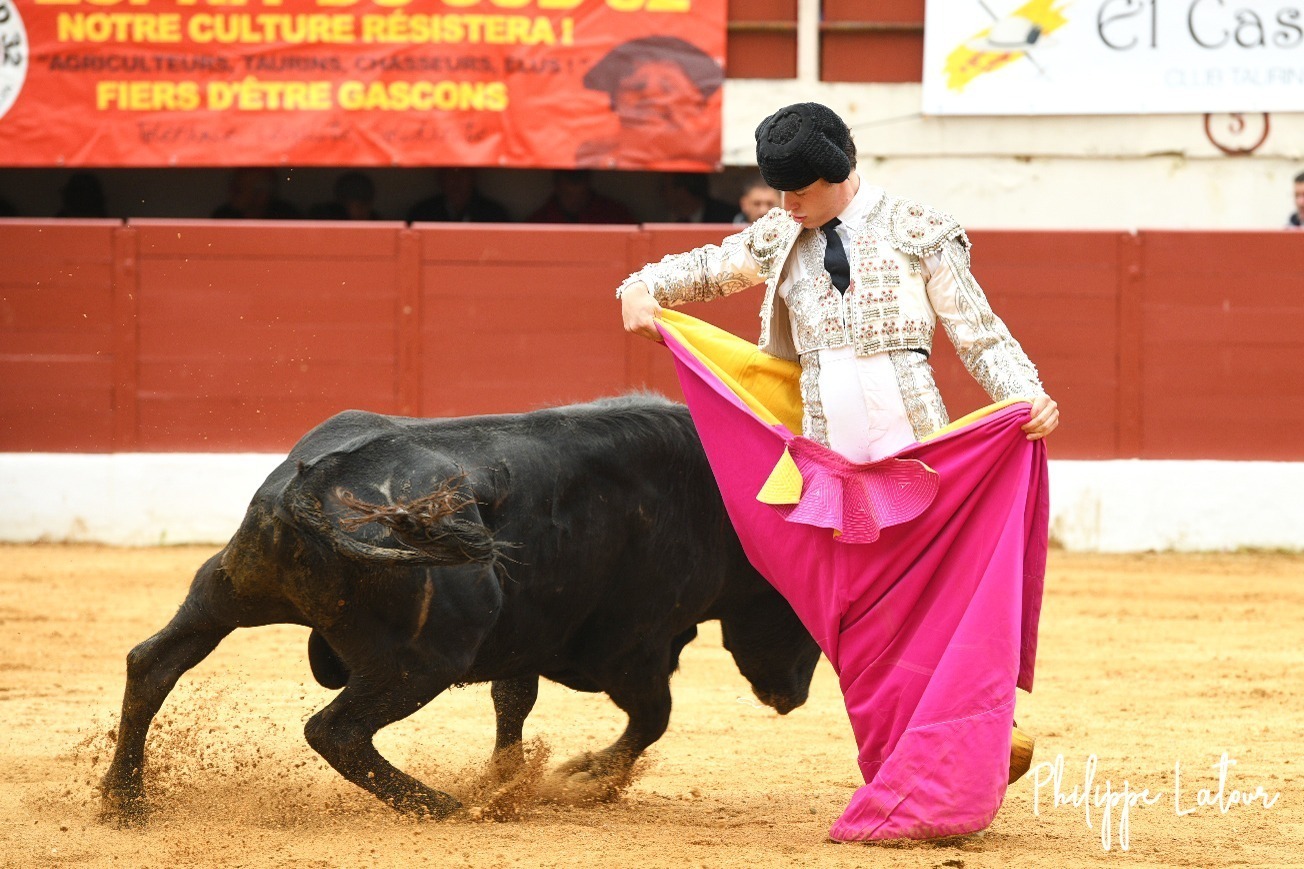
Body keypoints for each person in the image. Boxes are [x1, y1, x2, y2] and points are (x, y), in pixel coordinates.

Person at [618, 102, 1058, 841]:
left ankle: (962, 743)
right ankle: (907, 764)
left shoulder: (920, 231)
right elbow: (710, 268)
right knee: (857, 631)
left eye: (799, 192)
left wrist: (1026, 394)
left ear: (840, 173)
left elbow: (979, 334)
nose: (787, 205)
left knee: (939, 615)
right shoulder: (781, 234)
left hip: (920, 462)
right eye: (780, 193)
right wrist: (642, 284)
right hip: (829, 471)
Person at [576, 35, 724, 170]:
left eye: (668, 88)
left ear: (698, 103)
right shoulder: (595, 159)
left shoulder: (711, 158)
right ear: (614, 102)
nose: (651, 96)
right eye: (637, 87)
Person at [530, 170, 635, 224]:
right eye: (568, 173)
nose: (574, 177)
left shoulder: (615, 216)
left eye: (579, 174)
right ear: (556, 183)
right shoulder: (539, 222)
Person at [406, 168, 510, 223]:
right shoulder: (422, 214)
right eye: (450, 173)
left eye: (463, 172)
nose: (456, 180)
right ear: (440, 178)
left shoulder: (494, 215)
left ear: (473, 177)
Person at [211, 168, 301, 220]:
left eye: (239, 189)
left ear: (261, 195)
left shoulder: (286, 217)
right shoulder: (223, 216)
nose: (231, 192)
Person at [662, 172, 735, 223]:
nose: (662, 193)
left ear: (683, 190)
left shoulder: (725, 216)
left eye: (664, 188)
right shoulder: (674, 220)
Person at [309, 171, 381, 221]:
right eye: (357, 205)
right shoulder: (324, 218)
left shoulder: (377, 223)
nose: (360, 211)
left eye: (364, 204)